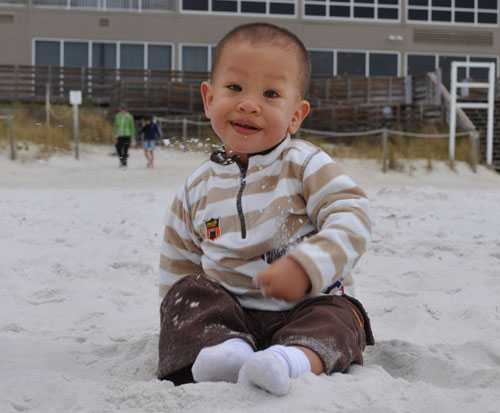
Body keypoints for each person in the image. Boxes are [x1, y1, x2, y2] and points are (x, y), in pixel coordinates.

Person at [157, 22, 374, 396]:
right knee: (187, 295)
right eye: (234, 88)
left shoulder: (305, 165)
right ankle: (226, 353)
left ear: (295, 115)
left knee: (342, 318)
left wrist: (307, 266)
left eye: (271, 93)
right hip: (229, 314)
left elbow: (352, 215)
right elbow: (178, 265)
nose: (248, 103)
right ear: (209, 99)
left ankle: (289, 361)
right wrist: (182, 325)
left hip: (306, 306)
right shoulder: (196, 188)